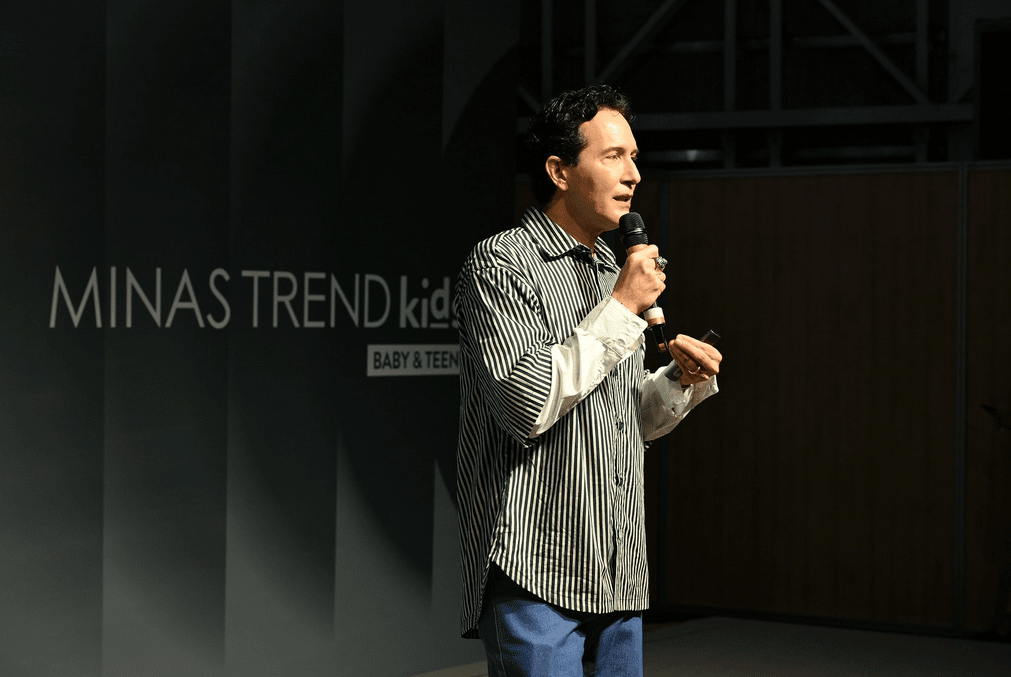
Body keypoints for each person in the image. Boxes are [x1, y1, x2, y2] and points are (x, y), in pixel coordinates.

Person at [454, 84, 722, 676]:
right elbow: (525, 405)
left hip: (618, 566)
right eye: (613, 156)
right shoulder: (501, 263)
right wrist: (623, 308)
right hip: (537, 568)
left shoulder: (610, 269)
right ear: (559, 171)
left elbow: (624, 420)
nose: (633, 175)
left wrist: (679, 382)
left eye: (634, 157)